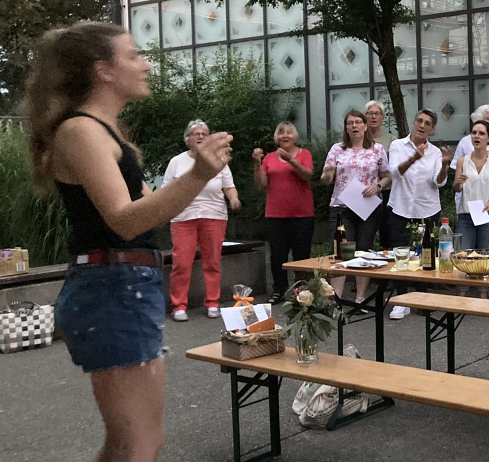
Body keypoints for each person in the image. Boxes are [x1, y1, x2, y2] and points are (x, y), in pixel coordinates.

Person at [26, 22, 233, 462]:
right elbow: (124, 220)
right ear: (103, 70)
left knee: (125, 443)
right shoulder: (80, 131)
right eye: (134, 55)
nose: (145, 64)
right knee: (137, 446)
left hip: (121, 288)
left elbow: (149, 209)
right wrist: (199, 175)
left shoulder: (104, 133)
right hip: (111, 289)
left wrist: (195, 178)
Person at [163, 119, 242, 322]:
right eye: (195, 133)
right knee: (181, 264)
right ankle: (179, 305)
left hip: (214, 215)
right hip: (183, 217)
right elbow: (166, 191)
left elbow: (229, 186)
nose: (200, 136)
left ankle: (213, 302)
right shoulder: (176, 162)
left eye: (204, 134)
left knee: (212, 262)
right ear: (187, 139)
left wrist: (234, 199)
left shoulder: (218, 160)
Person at [388, 109, 454, 319]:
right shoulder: (397, 145)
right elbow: (395, 172)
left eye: (427, 123)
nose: (422, 125)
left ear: (432, 129)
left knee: (425, 254)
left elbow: (439, 182)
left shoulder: (435, 152)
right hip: (400, 207)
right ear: (413, 122)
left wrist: (445, 164)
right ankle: (401, 300)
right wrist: (414, 157)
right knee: (401, 253)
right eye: (420, 121)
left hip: (427, 209)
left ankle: (421, 298)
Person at [321, 110, 391, 304]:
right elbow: (326, 179)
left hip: (368, 207)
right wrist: (327, 174)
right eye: (350, 123)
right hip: (341, 207)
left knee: (363, 251)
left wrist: (377, 186)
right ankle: (336, 299)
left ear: (365, 126)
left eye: (358, 122)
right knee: (339, 251)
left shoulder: (377, 149)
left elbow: (387, 175)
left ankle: (360, 298)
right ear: (346, 128)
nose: (354, 126)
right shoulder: (337, 149)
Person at [253, 121, 314, 305]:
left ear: (295, 136)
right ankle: (279, 289)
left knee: (301, 256)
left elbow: (307, 175)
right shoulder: (269, 158)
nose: (285, 136)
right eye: (281, 133)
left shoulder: (304, 154)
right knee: (277, 256)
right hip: (276, 215)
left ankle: (302, 291)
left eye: (289, 132)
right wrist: (257, 163)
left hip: (302, 214)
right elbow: (261, 185)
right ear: (276, 137)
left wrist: (291, 160)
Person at [454, 120, 489, 299]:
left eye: (481, 133)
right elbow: (456, 188)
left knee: (486, 257)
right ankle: (462, 295)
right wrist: (458, 182)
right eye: (474, 133)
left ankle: (483, 295)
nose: (476, 136)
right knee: (463, 256)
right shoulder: (463, 161)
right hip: (466, 214)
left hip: (487, 213)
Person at [365, 99, 400, 248]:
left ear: (382, 117)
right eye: (370, 113)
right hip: (364, 193)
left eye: (377, 114)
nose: (373, 117)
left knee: (387, 234)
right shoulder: (359, 138)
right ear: (365, 117)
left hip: (386, 192)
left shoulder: (392, 140)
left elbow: (394, 168)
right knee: (365, 235)